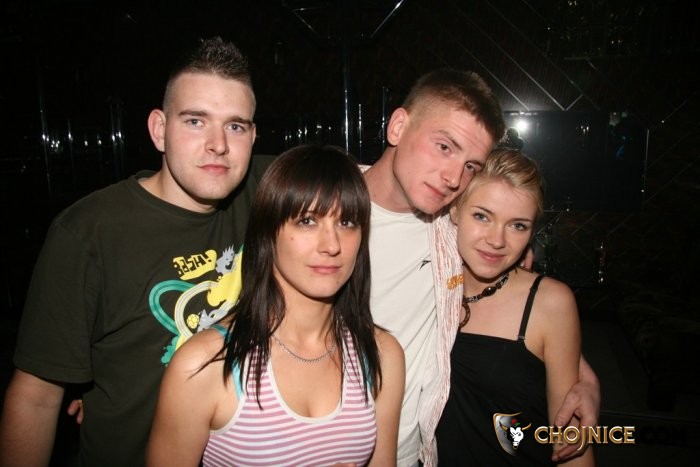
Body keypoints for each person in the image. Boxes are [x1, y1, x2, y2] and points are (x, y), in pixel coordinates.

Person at [0, 37, 261, 467]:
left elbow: (360, 185)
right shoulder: (89, 233)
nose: (218, 144)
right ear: (159, 130)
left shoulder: (267, 192)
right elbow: (36, 396)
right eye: (196, 121)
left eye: (235, 126)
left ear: (252, 136)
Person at [361, 68, 600, 466]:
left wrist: (583, 379)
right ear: (398, 126)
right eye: (444, 146)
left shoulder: (444, 227)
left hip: (413, 454)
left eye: (471, 165)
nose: (453, 177)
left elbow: (536, 324)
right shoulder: (320, 209)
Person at [146, 144, 405, 466]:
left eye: (347, 222)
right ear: (269, 233)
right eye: (307, 221)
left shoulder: (381, 353)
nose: (332, 245)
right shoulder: (203, 364)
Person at [435, 148, 595, 466]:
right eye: (482, 216)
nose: (497, 240)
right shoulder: (424, 283)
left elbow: (569, 439)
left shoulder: (550, 303)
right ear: (454, 209)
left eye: (518, 225)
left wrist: (589, 385)